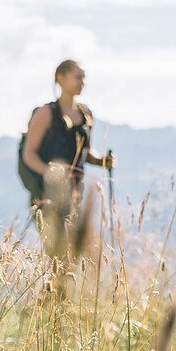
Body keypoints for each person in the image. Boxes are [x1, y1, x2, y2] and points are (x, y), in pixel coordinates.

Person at [22, 59, 112, 265]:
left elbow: (85, 153)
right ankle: (55, 296)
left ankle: (59, 297)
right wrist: (49, 173)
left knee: (72, 256)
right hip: (46, 195)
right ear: (60, 79)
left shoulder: (85, 114)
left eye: (83, 78)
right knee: (57, 254)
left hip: (75, 194)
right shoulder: (45, 114)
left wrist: (102, 161)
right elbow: (29, 154)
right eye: (77, 77)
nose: (82, 82)